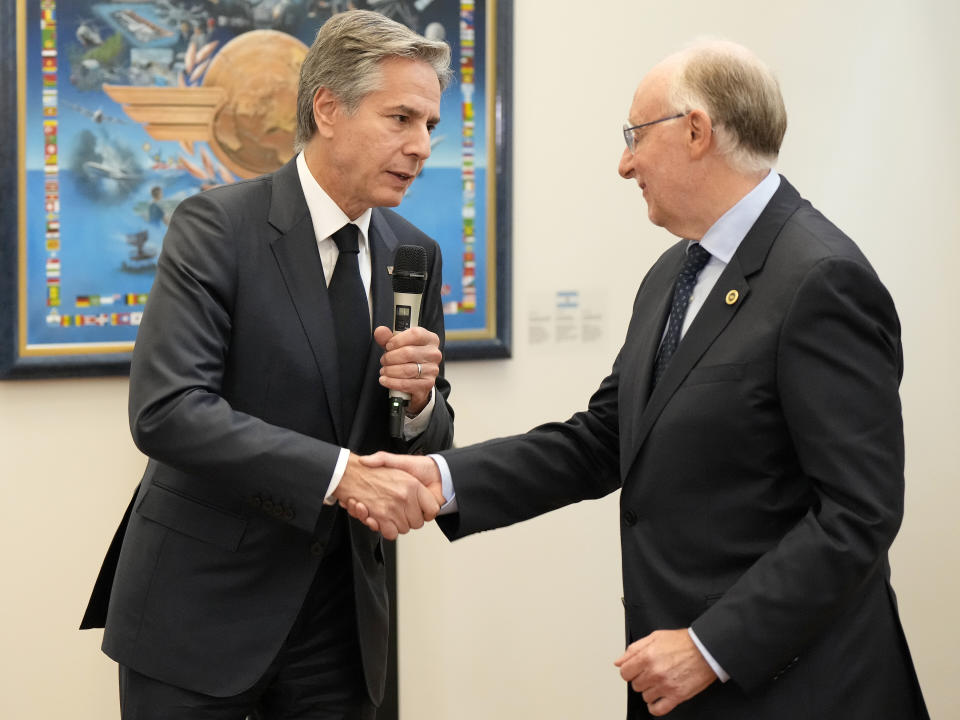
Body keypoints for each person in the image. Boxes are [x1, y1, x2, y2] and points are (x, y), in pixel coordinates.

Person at [350, 40, 930, 719]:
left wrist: (712, 646)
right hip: (678, 678)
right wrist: (444, 482)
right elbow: (603, 439)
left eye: (635, 136)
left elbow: (859, 515)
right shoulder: (675, 275)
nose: (625, 164)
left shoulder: (821, 279)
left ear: (695, 131)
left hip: (799, 684)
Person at [80, 10, 454, 719]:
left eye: (430, 125)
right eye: (401, 118)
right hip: (200, 609)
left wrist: (421, 402)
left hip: (343, 621)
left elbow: (425, 443)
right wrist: (341, 476)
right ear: (328, 109)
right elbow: (168, 412)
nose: (421, 145)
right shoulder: (216, 226)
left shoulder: (415, 254)